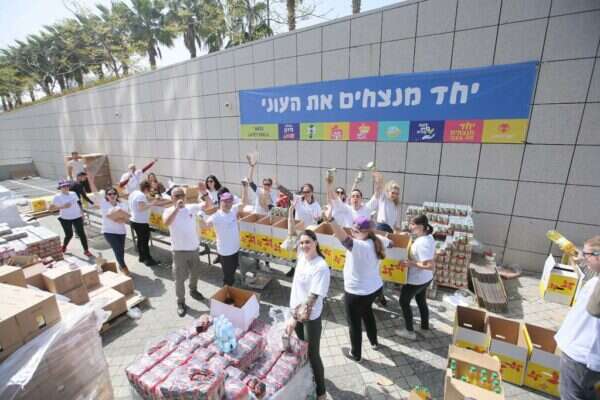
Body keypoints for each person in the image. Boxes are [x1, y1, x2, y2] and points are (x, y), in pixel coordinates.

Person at [284, 204, 330, 400]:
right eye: (302, 243)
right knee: (301, 348)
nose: (303, 245)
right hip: (296, 313)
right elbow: (291, 234)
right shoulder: (301, 256)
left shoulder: (321, 267)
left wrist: (293, 319)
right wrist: (290, 212)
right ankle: (308, 378)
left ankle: (321, 392)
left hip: (309, 317)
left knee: (312, 353)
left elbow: (310, 302)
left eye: (308, 242)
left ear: (316, 243)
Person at [329, 215, 386, 362]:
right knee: (367, 314)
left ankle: (356, 354)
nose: (352, 233)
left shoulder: (360, 246)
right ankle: (374, 342)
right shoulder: (377, 240)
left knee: (354, 324)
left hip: (356, 292)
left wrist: (331, 220)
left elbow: (346, 241)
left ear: (366, 232)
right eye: (352, 230)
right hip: (373, 289)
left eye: (356, 231)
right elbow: (390, 242)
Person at [555, 236, 600, 400]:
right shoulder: (596, 276)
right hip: (584, 354)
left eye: (587, 254)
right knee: (586, 392)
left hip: (582, 356)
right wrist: (583, 259)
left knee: (571, 394)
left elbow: (594, 308)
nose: (584, 257)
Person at [163, 186, 206, 317]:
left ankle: (193, 290)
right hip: (179, 252)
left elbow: (207, 204)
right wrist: (177, 209)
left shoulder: (191, 208)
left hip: (193, 249)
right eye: (177, 196)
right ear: (172, 198)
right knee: (179, 279)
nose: (180, 198)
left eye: (182, 195)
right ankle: (180, 302)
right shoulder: (168, 211)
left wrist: (204, 192)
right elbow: (166, 222)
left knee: (195, 273)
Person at [198, 182, 248, 287]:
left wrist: (245, 187)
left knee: (233, 270)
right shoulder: (216, 216)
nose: (227, 203)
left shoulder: (233, 210)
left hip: (235, 249)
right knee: (228, 275)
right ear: (221, 201)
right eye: (225, 201)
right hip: (225, 252)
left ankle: (230, 286)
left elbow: (244, 203)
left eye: (229, 201)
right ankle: (226, 291)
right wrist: (200, 216)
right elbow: (205, 226)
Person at [396, 215, 435, 340]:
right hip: (425, 279)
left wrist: (411, 263)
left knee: (403, 302)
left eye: (413, 224)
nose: (410, 226)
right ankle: (424, 328)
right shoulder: (428, 236)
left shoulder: (422, 243)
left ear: (422, 226)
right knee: (421, 301)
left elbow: (430, 265)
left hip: (416, 280)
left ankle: (409, 331)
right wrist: (408, 235)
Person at [88, 174, 131, 276]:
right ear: (106, 196)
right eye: (109, 194)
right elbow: (95, 192)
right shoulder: (103, 203)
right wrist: (91, 180)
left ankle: (120, 264)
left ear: (117, 195)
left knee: (121, 250)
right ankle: (123, 266)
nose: (112, 195)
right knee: (117, 249)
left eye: (114, 193)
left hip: (121, 231)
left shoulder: (122, 204)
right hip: (108, 231)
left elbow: (127, 217)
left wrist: (122, 220)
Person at [50, 179, 92, 257]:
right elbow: (50, 209)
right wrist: (62, 206)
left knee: (82, 234)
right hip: (65, 219)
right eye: (63, 186)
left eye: (67, 186)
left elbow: (78, 203)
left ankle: (86, 250)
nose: (66, 187)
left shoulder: (73, 193)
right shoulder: (57, 197)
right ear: (60, 188)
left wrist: (82, 213)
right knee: (69, 235)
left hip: (77, 217)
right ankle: (64, 246)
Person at [129, 180, 159, 266]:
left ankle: (141, 257)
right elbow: (141, 208)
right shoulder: (141, 195)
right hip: (141, 222)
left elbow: (144, 200)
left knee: (140, 240)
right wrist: (153, 203)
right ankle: (148, 260)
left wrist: (152, 198)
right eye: (149, 189)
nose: (150, 191)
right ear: (146, 189)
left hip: (134, 220)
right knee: (144, 242)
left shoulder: (135, 192)